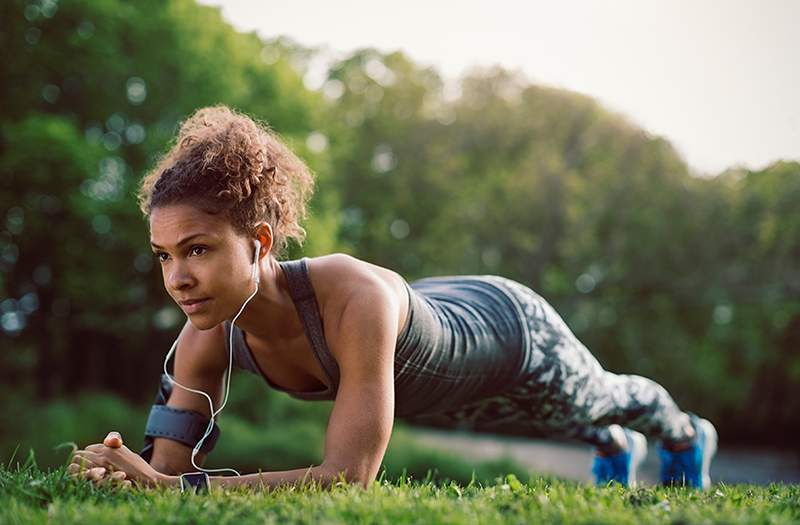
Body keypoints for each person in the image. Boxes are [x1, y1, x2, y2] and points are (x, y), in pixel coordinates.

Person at [68, 105, 717, 491]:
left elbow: (347, 477)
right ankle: (612, 449)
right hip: (444, 370)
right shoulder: (203, 336)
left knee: (596, 398)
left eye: (199, 249)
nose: (177, 277)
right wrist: (120, 466)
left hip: (509, 331)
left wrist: (179, 491)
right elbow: (165, 470)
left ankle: (686, 436)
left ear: (261, 242)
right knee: (546, 422)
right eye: (164, 256)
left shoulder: (353, 300)